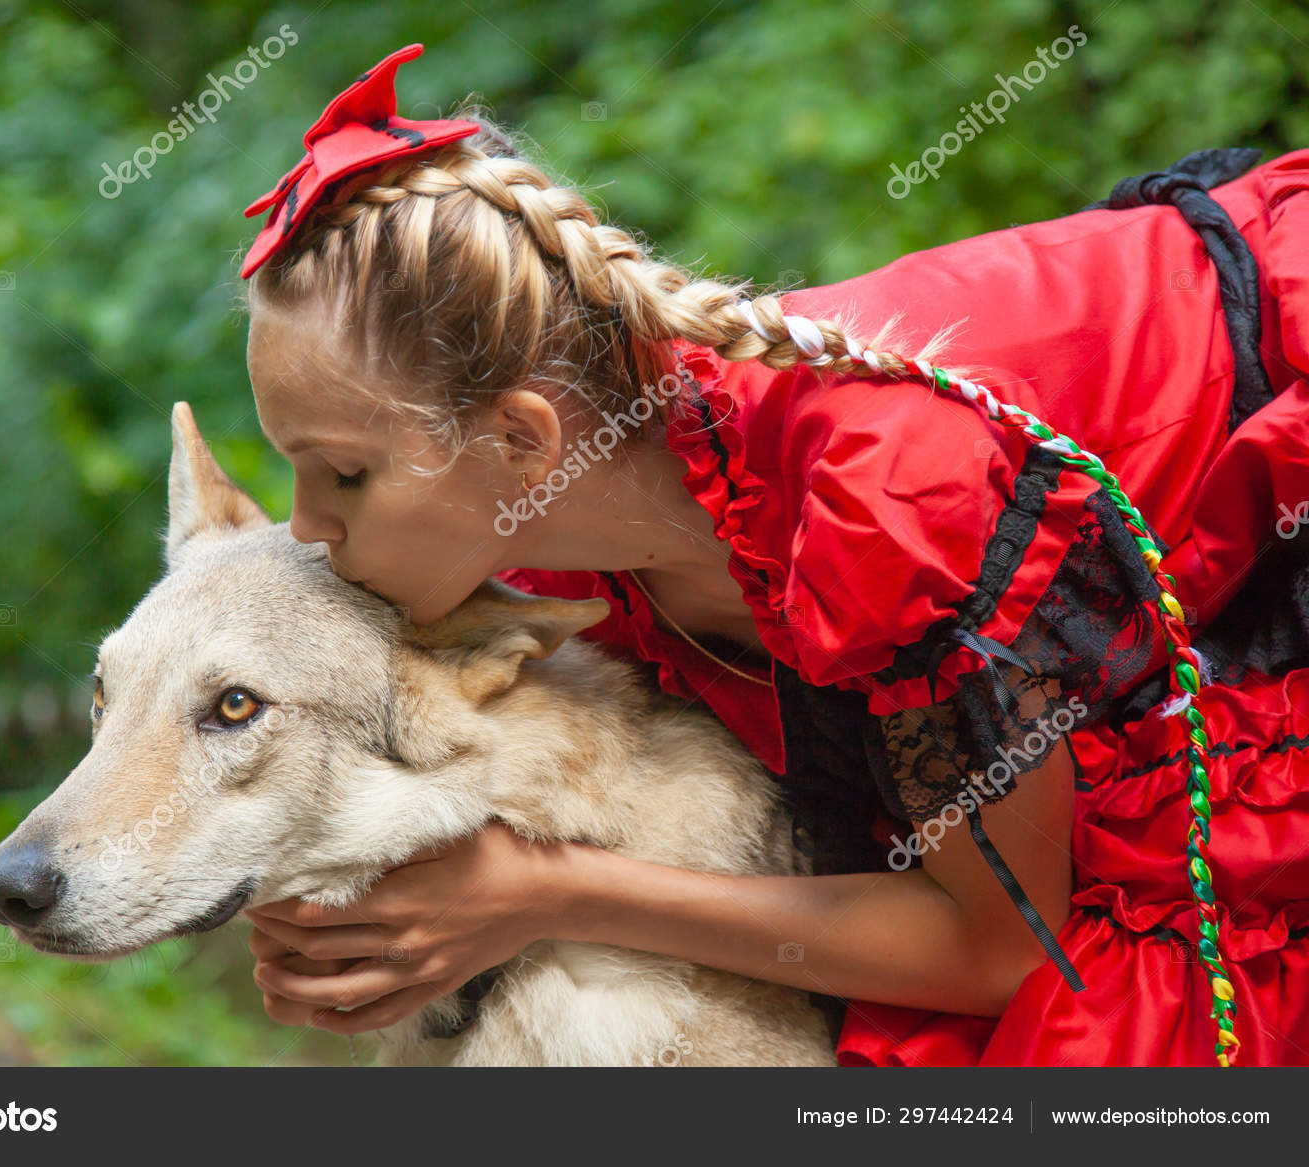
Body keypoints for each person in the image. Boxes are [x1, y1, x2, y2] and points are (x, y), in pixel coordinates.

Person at [234, 43, 1309, 1065]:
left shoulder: (883, 508)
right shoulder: (565, 555)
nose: (307, 527)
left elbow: (1004, 949)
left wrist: (544, 892)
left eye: (341, 472)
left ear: (523, 442)